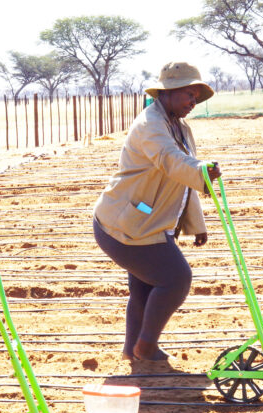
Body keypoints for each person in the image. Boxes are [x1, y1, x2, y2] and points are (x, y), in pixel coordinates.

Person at [93, 62, 221, 361]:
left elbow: (181, 178)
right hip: (125, 224)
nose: (193, 102)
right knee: (176, 279)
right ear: (168, 92)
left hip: (145, 221)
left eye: (196, 96)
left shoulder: (179, 125)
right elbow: (170, 160)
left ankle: (133, 350)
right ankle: (146, 346)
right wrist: (202, 172)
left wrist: (196, 224)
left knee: (145, 287)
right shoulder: (150, 125)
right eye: (188, 94)